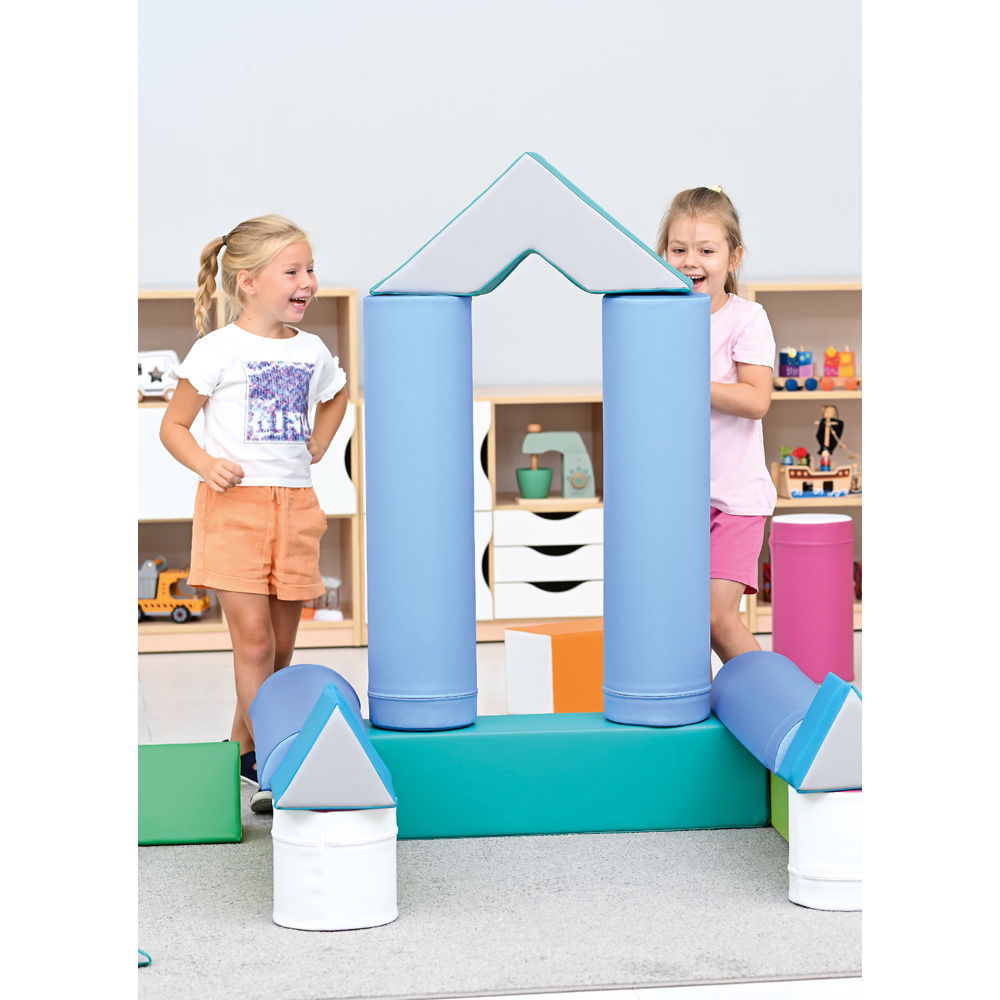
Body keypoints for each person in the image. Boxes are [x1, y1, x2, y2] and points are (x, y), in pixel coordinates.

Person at [160, 215, 349, 811]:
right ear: (248, 281)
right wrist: (206, 464)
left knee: (282, 650)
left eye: (310, 269)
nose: (307, 281)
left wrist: (322, 440)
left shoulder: (312, 349)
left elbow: (337, 393)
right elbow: (174, 425)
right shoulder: (218, 350)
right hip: (234, 511)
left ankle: (240, 749)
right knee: (254, 643)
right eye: (292, 271)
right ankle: (272, 764)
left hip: (296, 509)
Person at [655, 187, 776, 664]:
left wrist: (690, 381)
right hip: (679, 500)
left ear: (733, 257)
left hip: (735, 500)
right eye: (678, 249)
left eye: (706, 250)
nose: (691, 261)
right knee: (680, 620)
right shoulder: (657, 319)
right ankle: (703, 703)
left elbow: (756, 399)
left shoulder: (746, 319)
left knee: (717, 618)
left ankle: (787, 705)